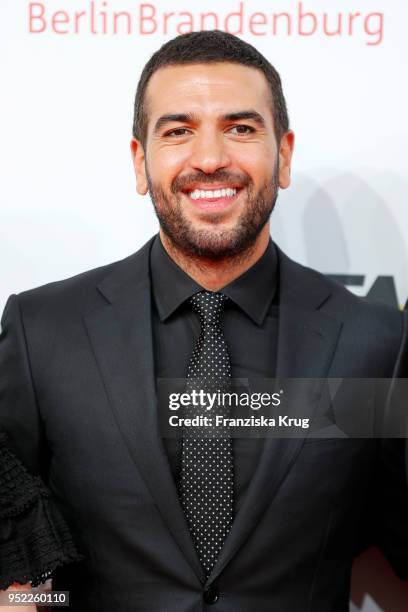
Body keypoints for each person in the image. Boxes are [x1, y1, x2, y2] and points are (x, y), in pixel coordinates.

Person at [0, 30, 407, 611]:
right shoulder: (44, 331)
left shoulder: (375, 343)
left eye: (241, 128)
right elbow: (16, 558)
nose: (211, 157)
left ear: (284, 154)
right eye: (177, 131)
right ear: (141, 161)